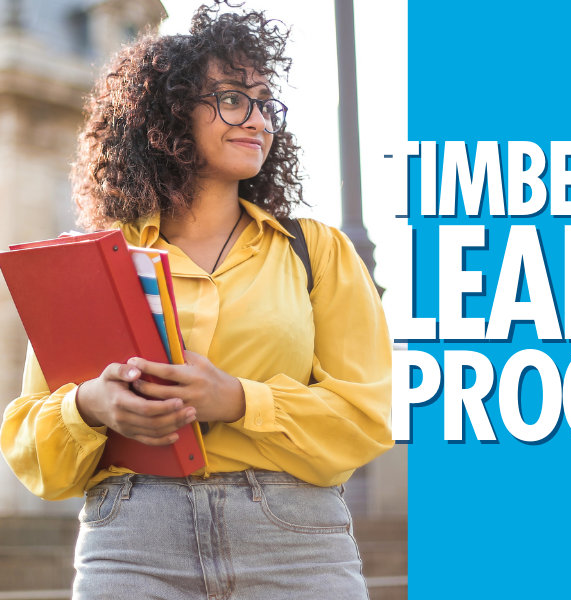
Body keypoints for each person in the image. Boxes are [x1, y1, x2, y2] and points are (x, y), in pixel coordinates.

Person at [0, 3, 392, 599]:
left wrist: (237, 400)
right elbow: (34, 446)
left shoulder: (317, 252)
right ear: (168, 112)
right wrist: (89, 407)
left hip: (293, 542)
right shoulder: (91, 262)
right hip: (132, 542)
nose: (257, 119)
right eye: (232, 98)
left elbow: (367, 418)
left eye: (265, 102)